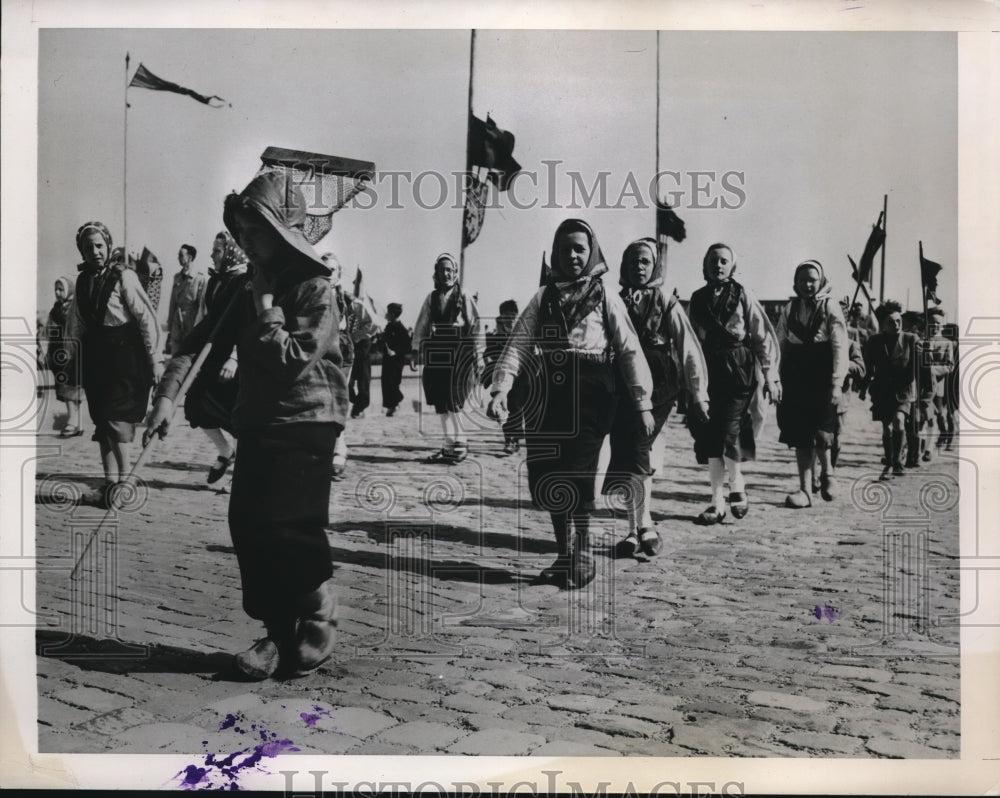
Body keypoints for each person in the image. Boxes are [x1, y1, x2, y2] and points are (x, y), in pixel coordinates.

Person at [147, 171, 347, 679]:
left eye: (255, 231)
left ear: (283, 232)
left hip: (308, 421)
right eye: (241, 230)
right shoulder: (241, 288)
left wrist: (265, 307)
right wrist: (167, 399)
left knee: (288, 528)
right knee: (248, 527)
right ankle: (279, 636)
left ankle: (319, 615)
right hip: (257, 420)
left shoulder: (315, 288)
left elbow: (292, 359)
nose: (245, 241)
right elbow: (195, 346)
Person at [488, 219, 654, 589]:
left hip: (593, 391)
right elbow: (518, 343)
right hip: (548, 391)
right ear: (556, 254)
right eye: (566, 250)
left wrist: (643, 402)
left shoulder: (605, 296)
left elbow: (629, 350)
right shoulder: (543, 296)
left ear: (592, 251)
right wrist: (502, 388)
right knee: (549, 473)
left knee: (578, 472)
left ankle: (581, 555)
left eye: (580, 248)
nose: (573, 256)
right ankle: (565, 556)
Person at [602, 238, 709, 556]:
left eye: (645, 261)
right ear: (624, 266)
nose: (639, 266)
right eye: (633, 261)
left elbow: (688, 346)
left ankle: (645, 524)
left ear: (655, 266)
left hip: (660, 383)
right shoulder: (614, 300)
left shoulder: (665, 300)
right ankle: (633, 530)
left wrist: (698, 393)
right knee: (626, 453)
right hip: (622, 383)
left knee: (639, 448)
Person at [65, 221, 162, 507]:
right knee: (102, 423)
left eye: (99, 246)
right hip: (97, 358)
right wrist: (70, 356)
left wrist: (154, 358)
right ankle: (109, 486)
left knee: (116, 420)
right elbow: (76, 322)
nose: (94, 252)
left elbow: (146, 318)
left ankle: (125, 484)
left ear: (108, 246)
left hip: (125, 358)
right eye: (88, 247)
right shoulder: (83, 281)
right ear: (81, 251)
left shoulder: (125, 276)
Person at [687, 243, 780, 525]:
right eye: (713, 260)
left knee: (728, 430)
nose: (718, 265)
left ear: (732, 266)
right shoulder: (697, 298)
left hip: (739, 369)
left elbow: (762, 337)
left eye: (724, 261)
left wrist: (771, 376)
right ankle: (716, 502)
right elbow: (689, 340)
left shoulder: (743, 294)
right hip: (708, 370)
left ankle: (737, 484)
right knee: (709, 436)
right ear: (705, 265)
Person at [170, 232, 250, 488]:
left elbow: (248, 325)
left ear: (230, 253)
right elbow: (206, 319)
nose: (212, 255)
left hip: (237, 359)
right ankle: (226, 451)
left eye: (217, 251)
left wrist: (235, 358)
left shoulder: (245, 282)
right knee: (195, 405)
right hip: (213, 355)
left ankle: (242, 477)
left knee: (236, 416)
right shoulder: (217, 282)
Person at [774, 260, 849, 509]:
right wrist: (774, 377)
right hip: (796, 377)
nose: (807, 285)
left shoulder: (830, 307)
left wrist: (837, 383)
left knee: (822, 431)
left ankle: (828, 475)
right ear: (795, 283)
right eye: (802, 280)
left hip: (822, 375)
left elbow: (840, 346)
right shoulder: (790, 308)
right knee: (800, 434)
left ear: (821, 281)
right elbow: (780, 343)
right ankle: (805, 490)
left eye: (812, 280)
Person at [413, 253, 485, 463]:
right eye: (441, 270)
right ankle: (448, 444)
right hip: (437, 351)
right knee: (440, 399)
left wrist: (479, 356)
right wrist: (416, 350)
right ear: (436, 273)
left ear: (455, 273)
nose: (445, 274)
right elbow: (422, 324)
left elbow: (476, 327)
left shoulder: (464, 296)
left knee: (455, 399)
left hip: (459, 351)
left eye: (449, 270)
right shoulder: (431, 298)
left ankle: (460, 443)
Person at [859, 300, 918, 480]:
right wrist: (863, 388)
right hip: (882, 390)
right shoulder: (875, 341)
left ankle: (897, 462)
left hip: (903, 390)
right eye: (891, 322)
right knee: (886, 427)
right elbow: (868, 367)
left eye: (898, 321)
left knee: (899, 422)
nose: (896, 325)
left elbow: (915, 370)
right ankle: (890, 464)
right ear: (883, 325)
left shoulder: (911, 339)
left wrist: (909, 389)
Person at [321, 252, 353, 480]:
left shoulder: (347, 299)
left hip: (341, 352)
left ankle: (340, 448)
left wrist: (352, 337)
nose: (328, 274)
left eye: (332, 270)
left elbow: (368, 324)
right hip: (319, 351)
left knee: (338, 399)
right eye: (324, 269)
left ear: (339, 274)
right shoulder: (314, 294)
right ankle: (328, 450)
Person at [483, 299, 530, 455]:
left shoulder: (523, 332)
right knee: (510, 407)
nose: (510, 319)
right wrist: (490, 368)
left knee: (520, 407)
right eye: (506, 316)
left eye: (512, 316)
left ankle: (517, 436)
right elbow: (487, 354)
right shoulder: (496, 336)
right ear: (501, 317)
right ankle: (511, 439)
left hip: (522, 375)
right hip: (503, 377)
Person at [45, 275, 84, 437]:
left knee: (72, 388)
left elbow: (78, 329)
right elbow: (50, 331)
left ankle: (73, 422)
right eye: (56, 289)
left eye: (61, 289)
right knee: (66, 388)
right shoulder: (55, 310)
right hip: (58, 352)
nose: (58, 292)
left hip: (73, 352)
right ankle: (76, 423)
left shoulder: (75, 308)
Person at [916, 307, 955, 462]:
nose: (935, 326)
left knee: (934, 417)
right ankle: (918, 447)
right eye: (932, 322)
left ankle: (929, 448)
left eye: (938, 323)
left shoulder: (946, 343)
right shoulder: (919, 341)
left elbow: (949, 366)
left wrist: (932, 369)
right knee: (919, 418)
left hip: (937, 387)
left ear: (942, 325)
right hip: (919, 387)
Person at [164, 244, 208, 357]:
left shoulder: (199, 278)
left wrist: (198, 328)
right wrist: (169, 328)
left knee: (188, 356)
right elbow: (172, 303)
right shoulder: (177, 277)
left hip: (191, 322)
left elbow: (201, 307)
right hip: (177, 322)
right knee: (175, 355)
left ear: (190, 257)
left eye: (181, 255)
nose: (178, 257)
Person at [348, 290, 379, 419]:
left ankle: (359, 408)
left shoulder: (358, 305)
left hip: (361, 348)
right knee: (348, 382)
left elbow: (373, 325)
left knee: (363, 382)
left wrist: (355, 336)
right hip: (349, 347)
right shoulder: (344, 306)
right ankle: (356, 403)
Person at [380, 302, 411, 416]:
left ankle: (394, 404)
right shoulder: (388, 327)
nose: (386, 314)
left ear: (393, 314)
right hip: (387, 360)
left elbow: (407, 346)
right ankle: (391, 405)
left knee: (393, 382)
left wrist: (396, 352)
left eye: (388, 312)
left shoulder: (401, 328)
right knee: (386, 382)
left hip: (397, 361)